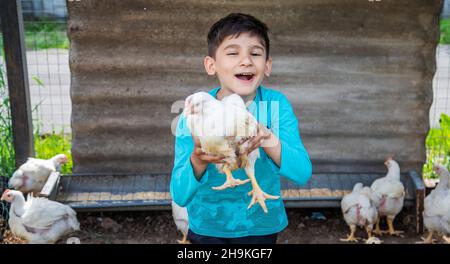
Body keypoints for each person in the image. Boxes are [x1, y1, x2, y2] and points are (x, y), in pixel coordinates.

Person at [170, 13, 312, 244]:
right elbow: (180, 194)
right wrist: (198, 160)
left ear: (267, 66)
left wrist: (267, 138)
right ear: (211, 65)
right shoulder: (195, 111)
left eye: (255, 53)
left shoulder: (275, 106)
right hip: (208, 226)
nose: (246, 60)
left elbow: (302, 172)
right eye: (233, 53)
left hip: (260, 226)